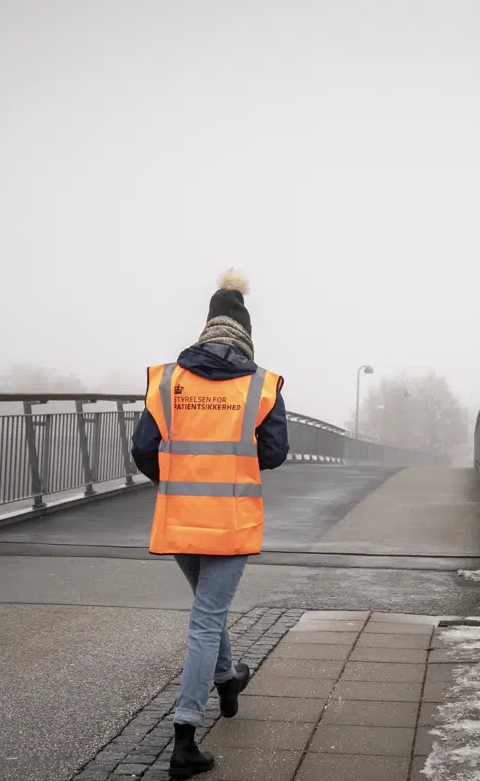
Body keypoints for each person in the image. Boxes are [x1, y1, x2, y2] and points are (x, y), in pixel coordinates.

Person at [131, 270, 289, 777]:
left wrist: (178, 476)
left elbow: (142, 450)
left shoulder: (167, 379)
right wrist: (234, 467)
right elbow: (275, 451)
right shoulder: (261, 384)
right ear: (246, 330)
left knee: (206, 609)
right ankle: (184, 735)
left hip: (179, 518)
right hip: (231, 520)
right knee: (205, 618)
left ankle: (227, 677)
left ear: (207, 327)